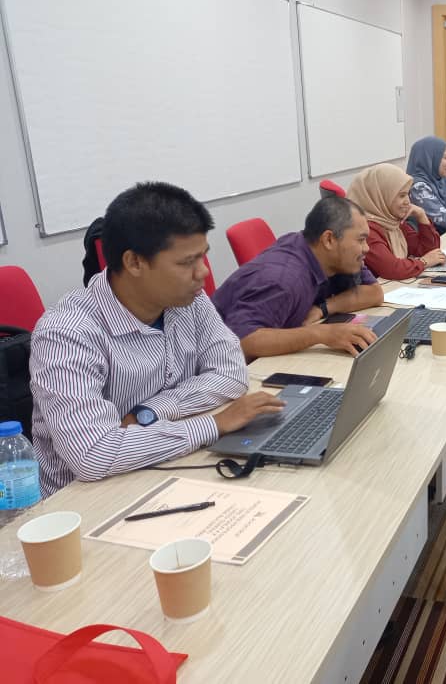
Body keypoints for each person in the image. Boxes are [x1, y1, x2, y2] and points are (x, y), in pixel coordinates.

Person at [30, 182, 284, 497]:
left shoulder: (187, 299)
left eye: (203, 257)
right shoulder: (66, 334)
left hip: (164, 468)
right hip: (87, 500)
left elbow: (231, 373)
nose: (203, 273)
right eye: (186, 262)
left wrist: (151, 411)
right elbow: (93, 454)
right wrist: (214, 425)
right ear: (134, 262)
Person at [212, 197, 383, 359]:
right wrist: (322, 334)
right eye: (361, 240)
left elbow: (375, 293)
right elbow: (243, 340)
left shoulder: (330, 255)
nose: (366, 248)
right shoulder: (284, 279)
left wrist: (323, 309)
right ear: (329, 239)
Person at [347, 163, 446, 280]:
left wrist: (421, 216)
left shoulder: (391, 221)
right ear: (381, 196)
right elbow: (392, 269)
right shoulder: (365, 229)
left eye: (407, 194)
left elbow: (430, 251)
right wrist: (424, 262)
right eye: (401, 195)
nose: (407, 202)